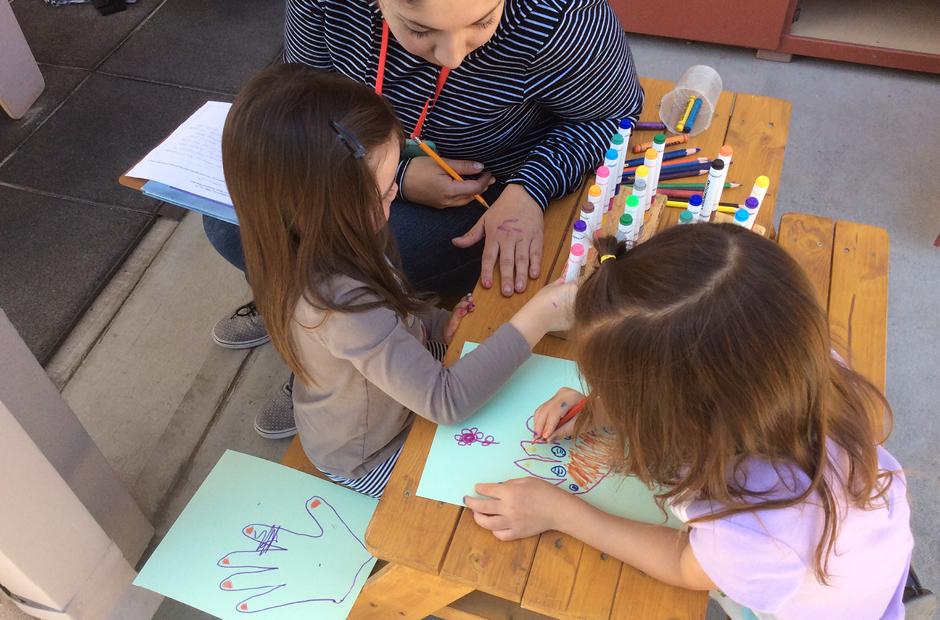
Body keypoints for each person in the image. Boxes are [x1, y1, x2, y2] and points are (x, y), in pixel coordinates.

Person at [206, 0, 643, 437]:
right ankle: (319, 345)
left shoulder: (562, 16)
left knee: (350, 253)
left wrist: (530, 188)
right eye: (419, 30)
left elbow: (614, 113)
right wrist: (396, 173)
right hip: (361, 172)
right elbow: (306, 112)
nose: (453, 55)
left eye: (482, 22)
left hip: (480, 188)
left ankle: (323, 332)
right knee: (240, 226)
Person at [465, 226, 913, 618]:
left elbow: (685, 564)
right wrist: (602, 407)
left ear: (680, 420)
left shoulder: (754, 534)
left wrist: (560, 511)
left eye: (623, 395)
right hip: (872, 561)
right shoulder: (794, 365)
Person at [222, 64, 575, 496]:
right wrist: (540, 315)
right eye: (388, 189)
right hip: (370, 457)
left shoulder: (312, 243)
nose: (397, 197)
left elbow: (395, 303)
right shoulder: (338, 302)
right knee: (503, 491)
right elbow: (448, 403)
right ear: (325, 207)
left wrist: (432, 324)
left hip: (377, 410)